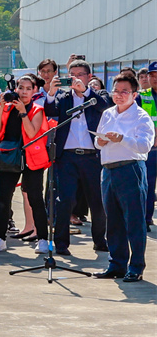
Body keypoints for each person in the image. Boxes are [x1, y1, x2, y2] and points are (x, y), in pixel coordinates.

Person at [43, 60, 113, 256]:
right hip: (67, 157)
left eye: (80, 74)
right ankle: (61, 244)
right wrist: (50, 92)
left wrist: (86, 92)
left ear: (89, 77)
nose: (75, 78)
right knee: (64, 200)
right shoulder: (63, 97)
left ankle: (100, 240)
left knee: (97, 201)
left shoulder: (98, 96)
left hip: (92, 157)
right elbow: (50, 111)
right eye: (71, 74)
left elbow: (105, 107)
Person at [92, 72, 154, 282]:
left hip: (130, 169)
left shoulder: (141, 117)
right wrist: (99, 143)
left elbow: (145, 146)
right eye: (115, 91)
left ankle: (136, 266)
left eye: (124, 92)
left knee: (134, 220)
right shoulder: (108, 113)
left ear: (134, 94)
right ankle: (116, 264)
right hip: (108, 170)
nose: (118, 95)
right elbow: (97, 141)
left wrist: (122, 138)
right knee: (113, 220)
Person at [0, 76, 50, 254]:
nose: (23, 92)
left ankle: (43, 239)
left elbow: (32, 133)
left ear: (34, 91)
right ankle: (0, 238)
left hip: (31, 158)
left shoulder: (37, 109)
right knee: (3, 199)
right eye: (21, 88)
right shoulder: (8, 108)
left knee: (35, 198)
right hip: (9, 157)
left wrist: (23, 112)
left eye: (28, 88)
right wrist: (1, 107)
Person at [140, 62, 157, 230]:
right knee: (148, 185)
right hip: (150, 150)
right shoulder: (141, 96)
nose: (154, 78)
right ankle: (146, 219)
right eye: (151, 75)